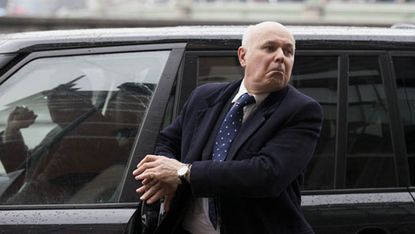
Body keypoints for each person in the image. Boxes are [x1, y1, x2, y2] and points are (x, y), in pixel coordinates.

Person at [132, 21, 323, 234]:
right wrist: (165, 178)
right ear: (243, 56)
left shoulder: (301, 110)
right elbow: (167, 141)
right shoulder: (204, 97)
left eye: (288, 52)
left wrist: (183, 173)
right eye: (269, 48)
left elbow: (266, 175)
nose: (280, 57)